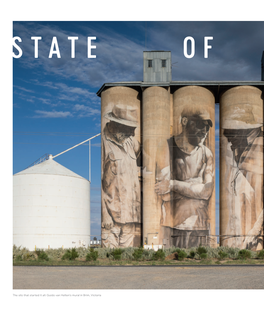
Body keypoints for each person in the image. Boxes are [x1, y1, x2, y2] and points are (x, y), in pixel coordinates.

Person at [154, 108, 214, 248]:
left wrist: (174, 184)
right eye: (200, 124)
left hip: (200, 226)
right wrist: (196, 183)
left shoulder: (206, 153)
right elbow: (165, 194)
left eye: (207, 127)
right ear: (185, 121)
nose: (204, 130)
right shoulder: (166, 146)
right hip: (173, 225)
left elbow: (206, 192)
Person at [222, 104, 263, 250]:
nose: (229, 139)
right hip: (242, 238)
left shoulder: (258, 152)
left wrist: (254, 231)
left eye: (232, 136)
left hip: (255, 239)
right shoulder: (237, 163)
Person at [101, 104, 141, 248]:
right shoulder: (104, 144)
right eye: (129, 129)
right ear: (116, 124)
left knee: (126, 258)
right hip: (112, 217)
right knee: (110, 257)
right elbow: (101, 182)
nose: (132, 134)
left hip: (131, 214)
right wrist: (105, 214)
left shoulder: (130, 143)